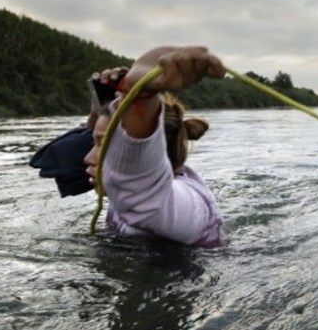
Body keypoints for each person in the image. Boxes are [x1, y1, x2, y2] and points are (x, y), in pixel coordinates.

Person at [83, 45, 227, 247]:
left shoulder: (190, 208)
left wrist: (139, 95)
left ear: (149, 153)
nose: (88, 158)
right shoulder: (122, 186)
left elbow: (140, 188)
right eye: (95, 142)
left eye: (103, 144)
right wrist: (101, 111)